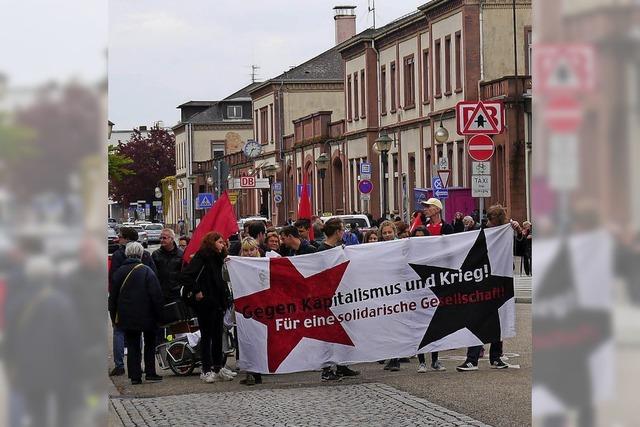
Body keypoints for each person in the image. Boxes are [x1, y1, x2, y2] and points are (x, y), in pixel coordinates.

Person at [457, 204, 520, 372]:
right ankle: (474, 358)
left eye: (496, 223)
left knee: (497, 318)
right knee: (478, 319)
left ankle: (495, 357)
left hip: (499, 281)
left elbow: (520, 247)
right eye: (493, 222)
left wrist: (518, 231)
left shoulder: (506, 230)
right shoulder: (481, 231)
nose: (493, 225)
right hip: (483, 280)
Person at [180, 232, 235, 383]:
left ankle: (218, 367)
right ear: (211, 242)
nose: (222, 244)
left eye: (223, 242)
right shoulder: (203, 256)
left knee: (218, 335)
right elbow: (187, 275)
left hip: (218, 302)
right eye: (219, 242)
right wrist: (197, 290)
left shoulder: (219, 258)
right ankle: (205, 369)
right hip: (205, 303)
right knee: (207, 336)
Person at [109, 242, 164, 385]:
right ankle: (150, 372)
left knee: (133, 346)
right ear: (141, 254)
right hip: (148, 315)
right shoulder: (146, 271)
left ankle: (135, 376)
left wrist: (114, 316)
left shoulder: (119, 272)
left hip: (127, 316)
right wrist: (160, 314)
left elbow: (112, 297)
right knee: (150, 343)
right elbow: (156, 295)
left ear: (127, 254)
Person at [316, 218, 360, 381]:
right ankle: (326, 369)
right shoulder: (323, 249)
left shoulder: (337, 248)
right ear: (337, 232)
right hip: (327, 298)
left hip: (339, 298)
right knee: (328, 335)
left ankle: (341, 365)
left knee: (343, 332)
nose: (344, 232)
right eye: (342, 229)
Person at [418, 198, 452, 371]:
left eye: (428, 207)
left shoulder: (447, 227)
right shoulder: (421, 228)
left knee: (438, 318)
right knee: (423, 318)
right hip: (424, 276)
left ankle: (436, 358)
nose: (425, 210)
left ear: (437, 209)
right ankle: (422, 360)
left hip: (441, 276)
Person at [152, 228, 184, 302]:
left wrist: (179, 286)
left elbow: (184, 272)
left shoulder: (181, 254)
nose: (162, 240)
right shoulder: (156, 254)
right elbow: (153, 273)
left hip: (175, 293)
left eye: (164, 238)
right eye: (161, 238)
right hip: (160, 292)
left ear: (172, 239)